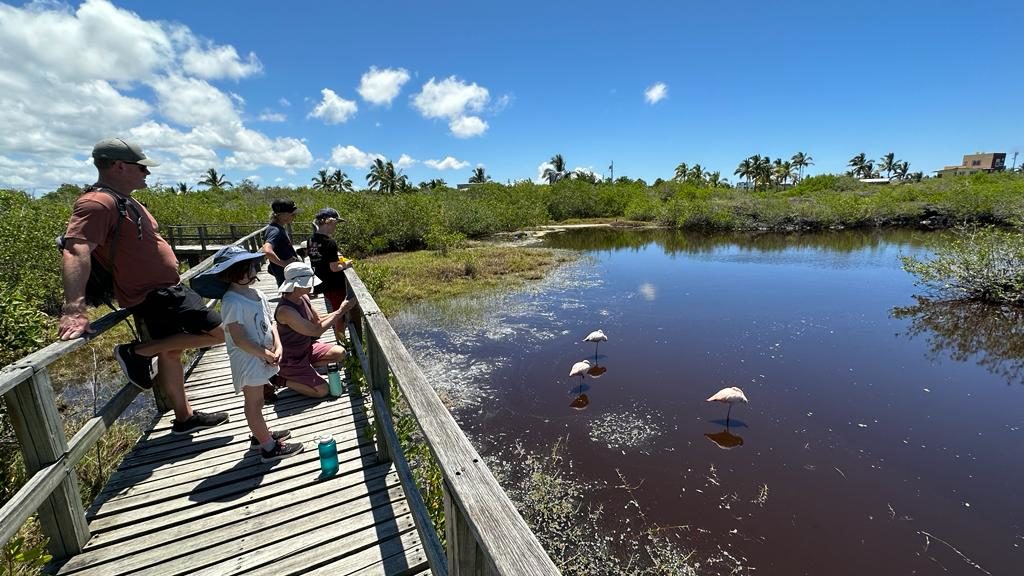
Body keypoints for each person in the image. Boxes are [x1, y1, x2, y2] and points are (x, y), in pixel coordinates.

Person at [58, 138, 228, 435]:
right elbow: (76, 250)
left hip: (162, 290)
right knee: (222, 333)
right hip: (158, 294)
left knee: (171, 352)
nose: (146, 174)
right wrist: (74, 309)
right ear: (119, 166)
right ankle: (137, 351)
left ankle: (184, 417)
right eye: (141, 168)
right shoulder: (96, 203)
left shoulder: (125, 200)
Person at [202, 246, 303, 462]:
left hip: (263, 354)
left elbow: (271, 323)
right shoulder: (231, 301)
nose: (249, 273)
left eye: (250, 267)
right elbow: (238, 339)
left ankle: (261, 435)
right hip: (248, 359)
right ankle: (268, 447)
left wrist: (278, 346)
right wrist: (265, 353)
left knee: (259, 400)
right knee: (254, 402)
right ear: (228, 274)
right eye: (242, 270)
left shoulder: (257, 293)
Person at [274, 262, 356, 398]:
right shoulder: (285, 311)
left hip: (306, 349)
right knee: (322, 391)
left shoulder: (303, 297)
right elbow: (316, 331)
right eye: (308, 282)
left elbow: (317, 321)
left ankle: (307, 369)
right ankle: (281, 379)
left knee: (340, 353)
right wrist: (341, 310)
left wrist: (340, 310)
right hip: (290, 359)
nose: (311, 285)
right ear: (296, 284)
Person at [307, 207, 353, 314]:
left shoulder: (311, 239)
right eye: (336, 223)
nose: (336, 227)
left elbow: (321, 258)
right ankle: (339, 331)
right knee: (338, 315)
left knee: (332, 310)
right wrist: (346, 264)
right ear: (330, 222)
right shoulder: (330, 242)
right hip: (334, 285)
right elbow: (334, 268)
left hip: (321, 282)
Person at [262, 199, 300, 287]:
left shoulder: (278, 228)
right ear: (282, 215)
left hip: (288, 273)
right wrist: (284, 264)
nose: (294, 216)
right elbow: (266, 250)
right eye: (292, 214)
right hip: (285, 275)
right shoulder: (275, 230)